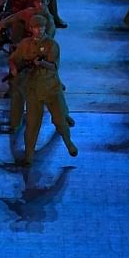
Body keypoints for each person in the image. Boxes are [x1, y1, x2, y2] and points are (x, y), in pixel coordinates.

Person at [8, 18, 77, 164]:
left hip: (51, 88)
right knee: (32, 125)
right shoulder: (25, 44)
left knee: (60, 120)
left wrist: (42, 63)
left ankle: (68, 142)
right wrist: (14, 68)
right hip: (33, 89)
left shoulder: (51, 45)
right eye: (35, 27)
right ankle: (29, 155)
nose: (39, 30)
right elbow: (13, 58)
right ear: (31, 28)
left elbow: (54, 66)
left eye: (41, 27)